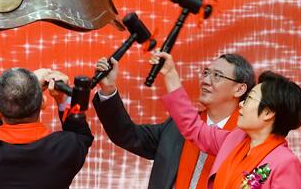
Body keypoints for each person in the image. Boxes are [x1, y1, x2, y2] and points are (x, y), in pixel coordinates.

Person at [92, 53, 255, 189]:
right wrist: (108, 90)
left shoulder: (248, 137)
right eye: (206, 73)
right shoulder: (176, 127)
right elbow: (127, 135)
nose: (205, 80)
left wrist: (171, 75)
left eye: (217, 75)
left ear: (239, 89)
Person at [155, 51, 301, 189]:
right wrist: (170, 75)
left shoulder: (285, 163)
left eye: (249, 99)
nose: (241, 104)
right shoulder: (234, 140)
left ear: (267, 113)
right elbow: (193, 127)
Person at [0, 67, 94, 189]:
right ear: (43, 103)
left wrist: (24, 88)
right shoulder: (65, 147)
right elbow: (82, 134)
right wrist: (63, 100)